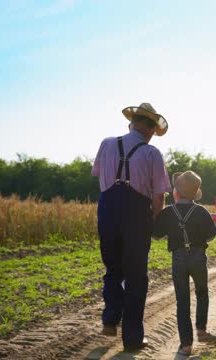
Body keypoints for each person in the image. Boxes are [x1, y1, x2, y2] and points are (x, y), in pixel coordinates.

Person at [91, 102, 172, 351]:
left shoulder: (107, 143)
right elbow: (159, 195)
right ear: (148, 128)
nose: (151, 132)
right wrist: (157, 220)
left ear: (131, 123)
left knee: (113, 268)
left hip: (107, 209)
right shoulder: (151, 153)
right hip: (137, 215)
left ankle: (110, 317)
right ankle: (133, 338)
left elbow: (98, 174)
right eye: (152, 127)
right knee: (136, 275)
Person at [153, 170, 216, 356]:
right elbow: (209, 235)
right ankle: (201, 330)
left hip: (178, 258)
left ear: (176, 192)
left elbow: (156, 234)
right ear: (195, 194)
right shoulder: (201, 211)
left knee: (182, 301)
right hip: (198, 257)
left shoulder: (168, 212)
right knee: (202, 292)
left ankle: (186, 345)